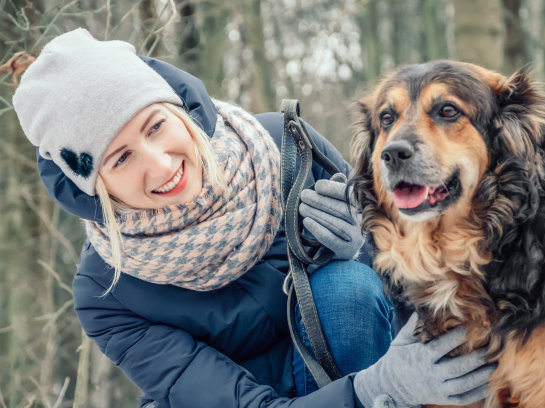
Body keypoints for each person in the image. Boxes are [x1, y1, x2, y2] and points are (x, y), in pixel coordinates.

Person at [12, 28, 494, 408]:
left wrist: (370, 247)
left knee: (348, 286)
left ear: (180, 108)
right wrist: (374, 391)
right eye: (120, 159)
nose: (159, 164)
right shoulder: (106, 292)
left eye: (155, 126)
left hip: (352, 363)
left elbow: (425, 285)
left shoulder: (287, 146)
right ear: (95, 189)